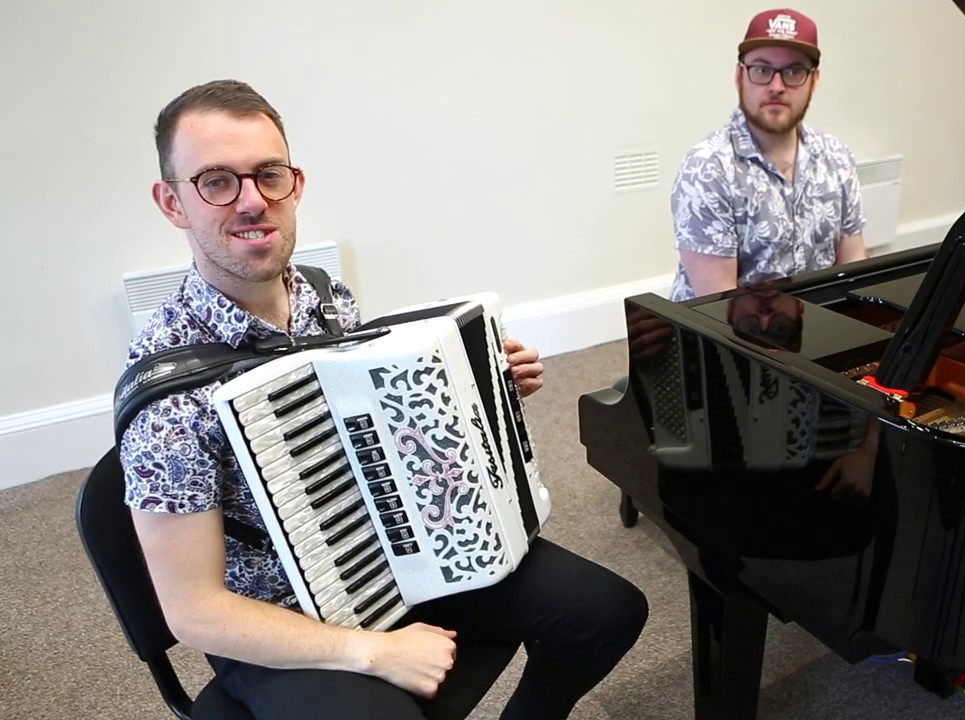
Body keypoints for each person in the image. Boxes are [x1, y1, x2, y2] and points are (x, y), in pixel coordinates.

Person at [119, 79, 648, 720]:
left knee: (608, 612)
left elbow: (383, 437)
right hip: (277, 622)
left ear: (296, 185)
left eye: (269, 175)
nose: (252, 201)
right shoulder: (165, 399)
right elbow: (195, 611)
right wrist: (371, 652)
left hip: (400, 558)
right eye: (217, 182)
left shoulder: (325, 299)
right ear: (172, 202)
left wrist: (482, 391)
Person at [670, 7, 869, 302]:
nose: (777, 87)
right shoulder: (707, 169)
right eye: (762, 70)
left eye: (794, 72)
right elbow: (718, 310)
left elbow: (853, 272)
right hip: (728, 327)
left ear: (814, 80)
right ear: (740, 77)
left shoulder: (837, 158)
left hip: (816, 323)